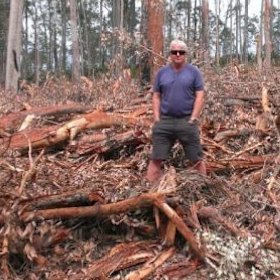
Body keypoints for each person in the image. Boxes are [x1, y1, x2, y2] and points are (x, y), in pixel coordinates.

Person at [146, 39, 207, 184]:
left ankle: (205, 188)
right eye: (174, 52)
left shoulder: (194, 72)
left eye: (181, 52)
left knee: (196, 158)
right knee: (156, 158)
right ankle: (148, 192)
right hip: (165, 121)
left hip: (186, 121)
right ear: (170, 54)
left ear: (186, 54)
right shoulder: (162, 73)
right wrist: (157, 118)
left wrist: (193, 118)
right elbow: (156, 96)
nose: (178, 54)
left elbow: (200, 95)